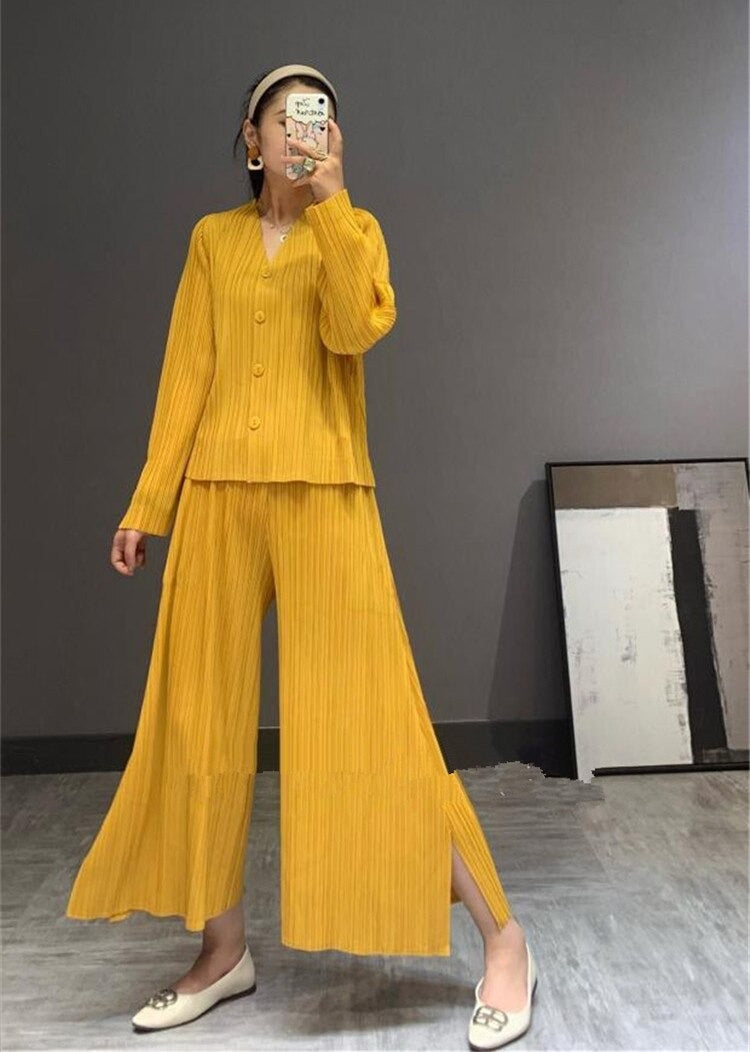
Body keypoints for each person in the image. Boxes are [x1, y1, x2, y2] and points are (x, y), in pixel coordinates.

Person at [65, 63, 537, 1048]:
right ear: (251, 138)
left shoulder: (351, 230)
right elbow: (186, 374)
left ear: (332, 138)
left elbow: (356, 328)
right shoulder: (212, 240)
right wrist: (149, 502)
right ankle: (222, 949)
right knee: (201, 726)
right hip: (217, 497)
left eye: (316, 117)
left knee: (381, 728)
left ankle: (505, 940)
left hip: (326, 495)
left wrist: (333, 204)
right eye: (283, 117)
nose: (299, 130)